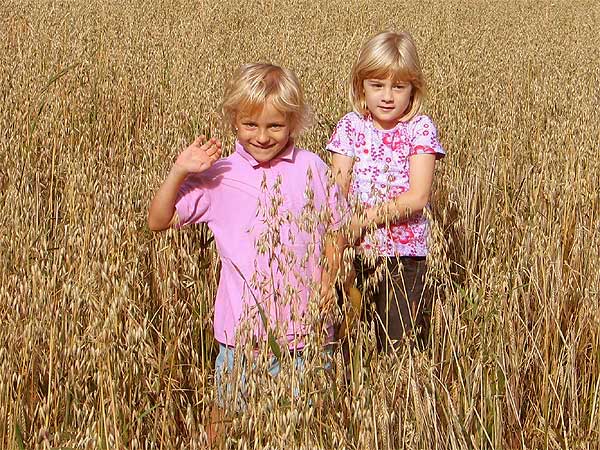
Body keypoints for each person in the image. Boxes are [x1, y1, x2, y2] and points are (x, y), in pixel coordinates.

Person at [147, 63, 346, 441]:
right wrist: (179, 170)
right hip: (242, 335)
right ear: (234, 120)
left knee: (311, 422)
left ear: (293, 121)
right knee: (224, 415)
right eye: (250, 125)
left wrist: (328, 276)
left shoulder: (313, 169)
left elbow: (337, 229)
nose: (263, 136)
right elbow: (158, 220)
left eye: (275, 125)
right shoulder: (219, 175)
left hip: (309, 332)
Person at [327, 31, 445, 352]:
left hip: (404, 258)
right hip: (354, 254)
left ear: (413, 90)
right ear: (361, 86)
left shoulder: (420, 129)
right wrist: (339, 240)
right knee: (343, 344)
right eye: (377, 85)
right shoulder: (350, 126)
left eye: (398, 86)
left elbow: (418, 197)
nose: (388, 96)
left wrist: (363, 221)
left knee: (399, 349)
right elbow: (338, 189)